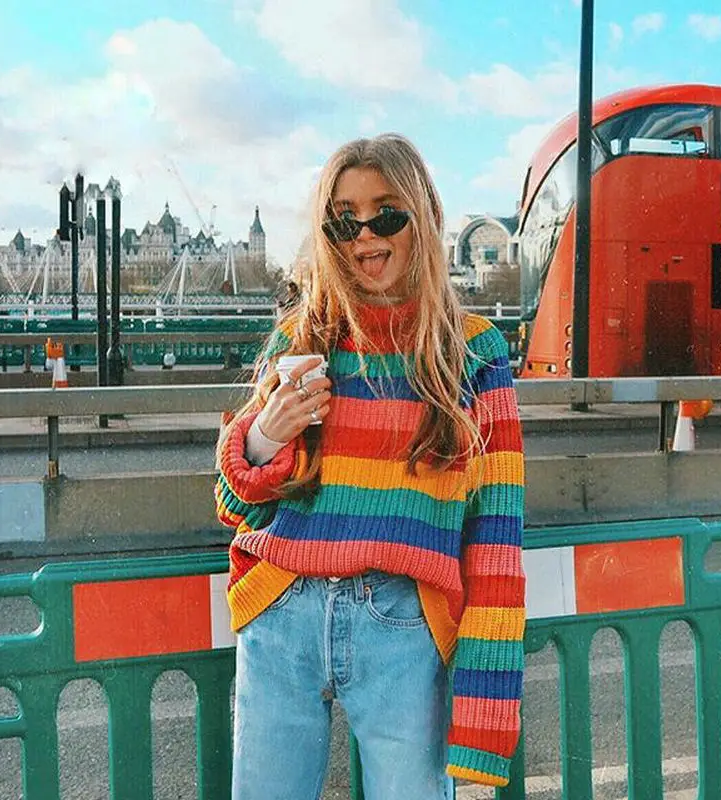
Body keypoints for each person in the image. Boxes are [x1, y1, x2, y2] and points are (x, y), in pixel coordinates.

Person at [215, 133, 525, 800]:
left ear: (425, 217)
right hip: (281, 613)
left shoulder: (472, 352)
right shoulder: (300, 339)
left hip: (403, 625)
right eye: (343, 219)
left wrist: (484, 726)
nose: (364, 235)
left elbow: (497, 537)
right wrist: (266, 434)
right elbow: (232, 502)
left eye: (385, 215)